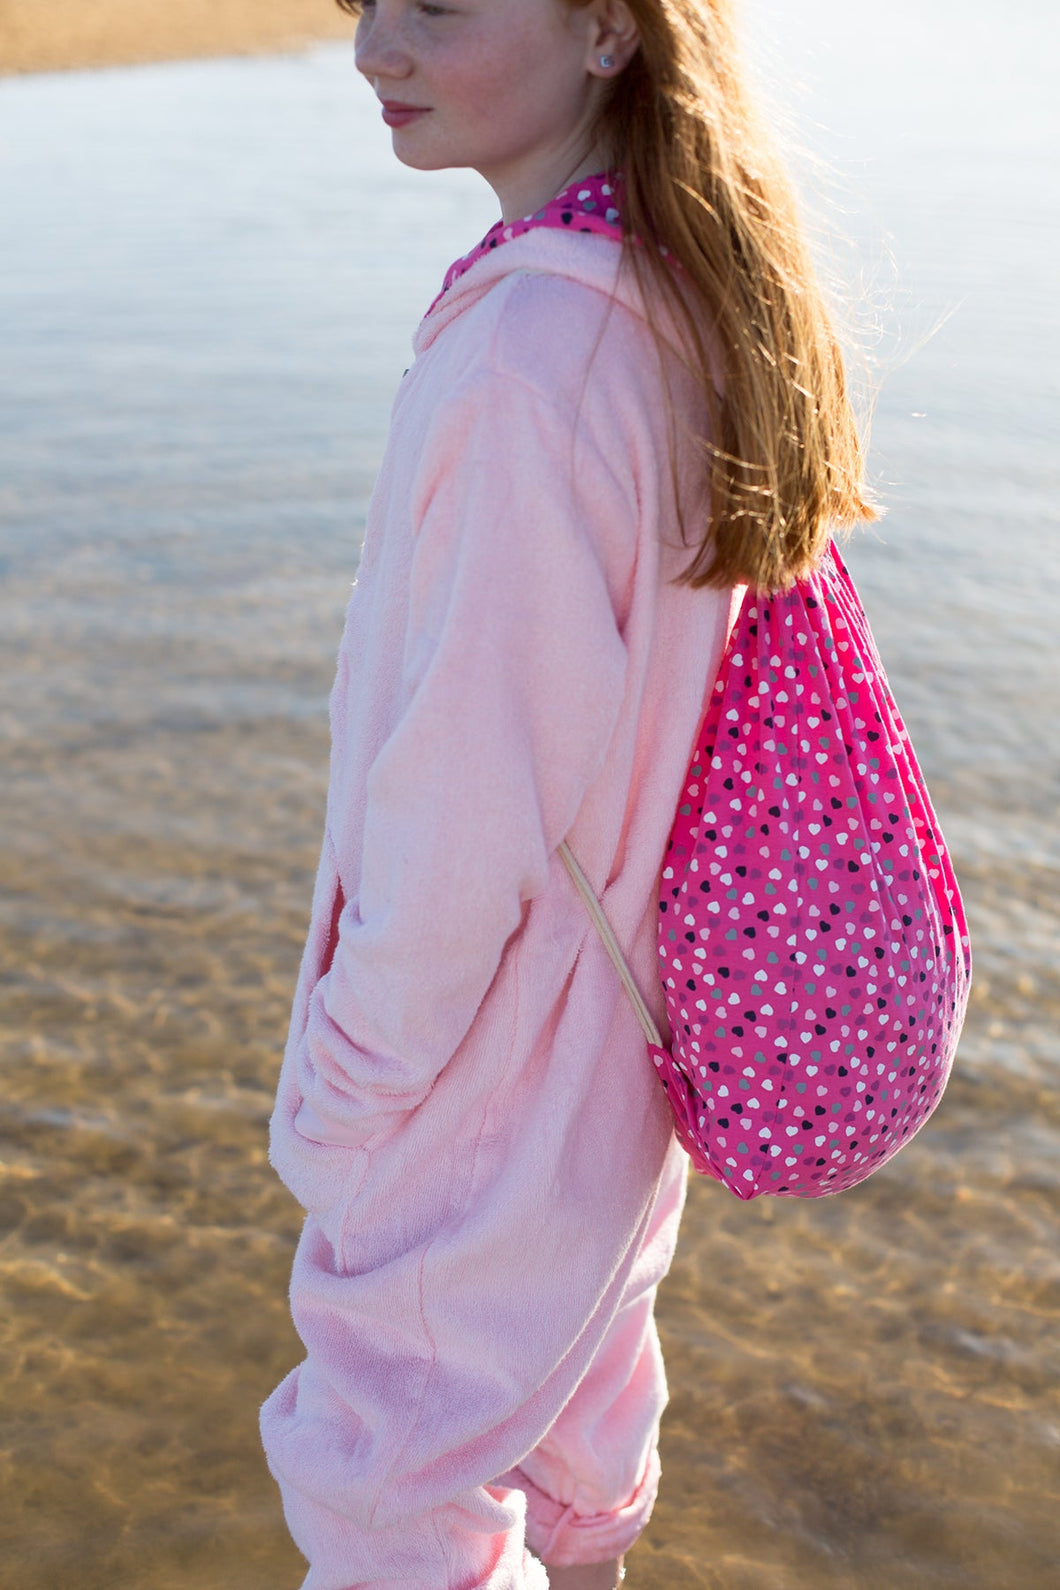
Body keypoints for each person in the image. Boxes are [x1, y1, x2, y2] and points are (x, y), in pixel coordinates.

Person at [259, 0, 875, 1585]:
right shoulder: (673, 302)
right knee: (577, 1455)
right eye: (366, 0)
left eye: (440, 7)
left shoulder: (530, 362)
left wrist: (340, 1103)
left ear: (610, 30)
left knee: (389, 1502)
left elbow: (458, 834)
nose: (374, 47)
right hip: (610, 1080)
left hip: (473, 1089)